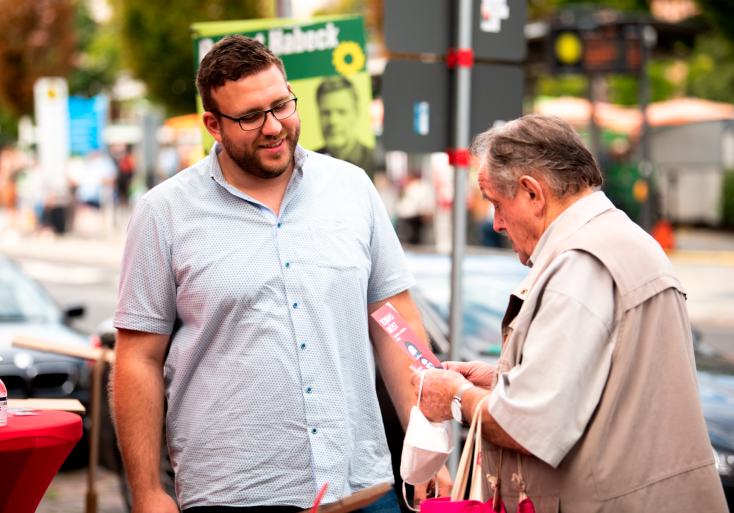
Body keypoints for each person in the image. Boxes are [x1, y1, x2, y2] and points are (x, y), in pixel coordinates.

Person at [112, 35, 451, 513]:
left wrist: (428, 449)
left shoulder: (352, 187)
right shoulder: (164, 213)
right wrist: (147, 492)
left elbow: (395, 321)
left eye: (282, 106)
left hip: (363, 487)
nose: (273, 127)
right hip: (235, 497)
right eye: (251, 116)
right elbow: (137, 360)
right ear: (213, 124)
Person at [412, 115, 728, 512]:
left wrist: (456, 398)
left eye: (496, 203)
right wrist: (502, 382)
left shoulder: (580, 262)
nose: (496, 224)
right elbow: (609, 384)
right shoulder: (624, 239)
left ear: (531, 193)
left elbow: (528, 427)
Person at [314, 76, 374, 181]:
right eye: (326, 113)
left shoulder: (374, 160)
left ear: (357, 113)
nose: (333, 121)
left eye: (342, 112)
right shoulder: (308, 165)